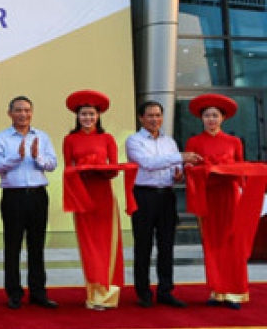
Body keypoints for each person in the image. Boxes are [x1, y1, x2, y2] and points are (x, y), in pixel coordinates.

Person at [184, 94, 265, 310]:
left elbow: (241, 171)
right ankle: (217, 291)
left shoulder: (234, 141)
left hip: (230, 197)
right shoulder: (194, 142)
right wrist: (207, 170)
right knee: (212, 244)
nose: (211, 119)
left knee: (233, 244)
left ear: (223, 118)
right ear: (201, 119)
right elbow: (189, 171)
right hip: (208, 198)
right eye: (207, 115)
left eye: (215, 115)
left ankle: (235, 292)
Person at [126, 100, 200, 309]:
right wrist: (179, 157)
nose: (155, 119)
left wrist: (178, 174)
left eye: (158, 115)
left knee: (166, 246)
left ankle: (166, 290)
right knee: (143, 246)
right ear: (141, 118)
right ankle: (143, 292)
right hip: (143, 196)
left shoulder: (169, 142)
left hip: (167, 196)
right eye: (150, 115)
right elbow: (148, 164)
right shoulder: (134, 141)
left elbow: (174, 168)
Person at [0, 95, 59, 309]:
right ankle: (14, 293)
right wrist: (16, 158)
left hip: (38, 195)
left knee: (36, 246)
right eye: (18, 110)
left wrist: (37, 157)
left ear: (32, 113)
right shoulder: (2, 138)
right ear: (9, 113)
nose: (23, 114)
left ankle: (38, 292)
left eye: (27, 110)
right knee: (12, 246)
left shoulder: (42, 137)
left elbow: (52, 164)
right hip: (13, 197)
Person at [61, 90, 123, 310]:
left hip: (104, 194)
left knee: (107, 243)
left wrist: (101, 169)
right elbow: (68, 169)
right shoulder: (69, 140)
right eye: (83, 114)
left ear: (98, 116)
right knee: (88, 245)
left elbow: (114, 168)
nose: (87, 118)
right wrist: (81, 170)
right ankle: (93, 294)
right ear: (77, 117)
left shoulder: (107, 139)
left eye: (91, 114)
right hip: (82, 195)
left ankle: (108, 294)